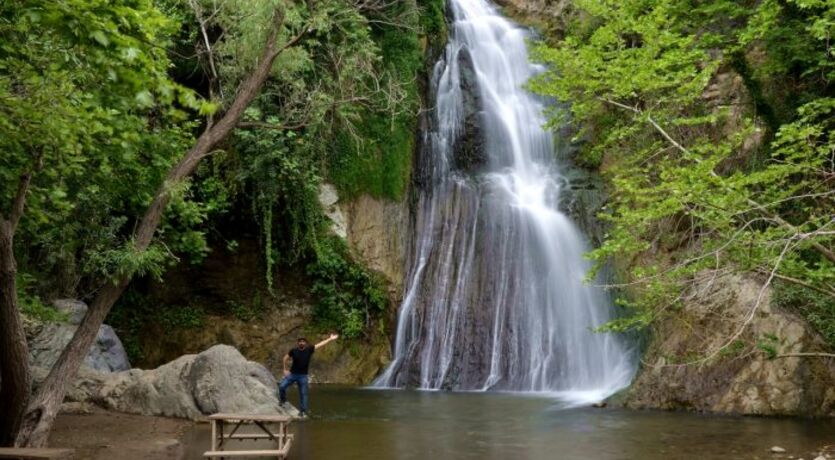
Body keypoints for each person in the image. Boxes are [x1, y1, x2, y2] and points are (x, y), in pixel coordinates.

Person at [278, 333, 339, 418]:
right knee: (282, 386)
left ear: (305, 343)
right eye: (300, 342)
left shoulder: (309, 349)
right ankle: (283, 400)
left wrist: (330, 339)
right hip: (293, 374)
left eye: (303, 342)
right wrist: (285, 369)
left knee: (303, 394)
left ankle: (302, 412)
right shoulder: (294, 350)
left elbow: (320, 344)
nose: (301, 343)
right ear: (298, 343)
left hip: (303, 376)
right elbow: (285, 358)